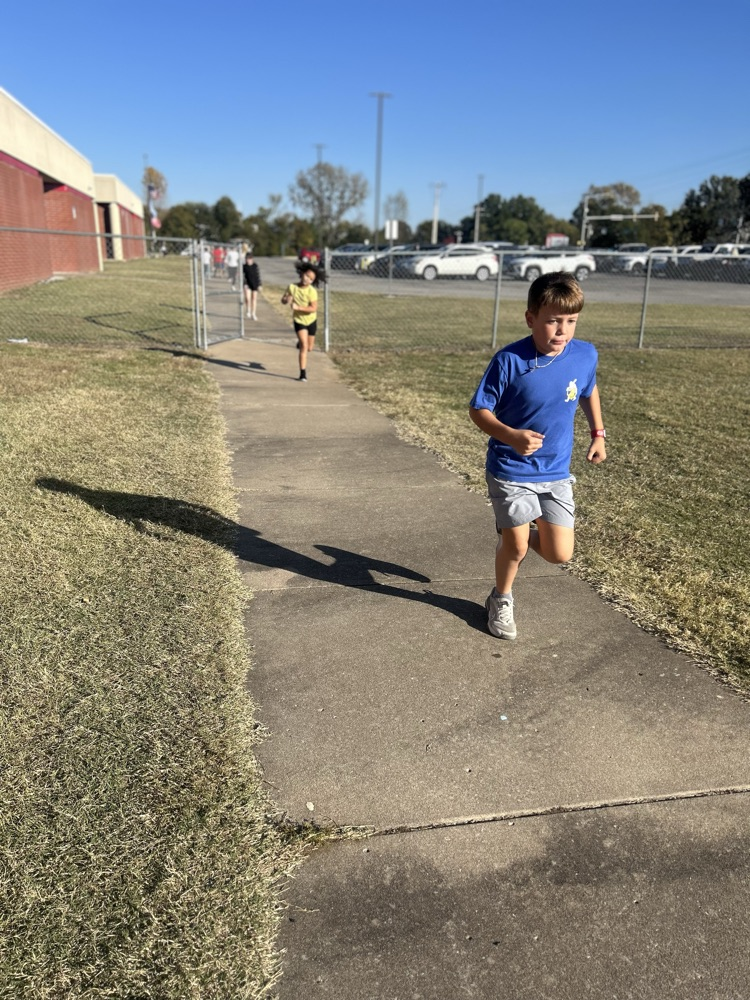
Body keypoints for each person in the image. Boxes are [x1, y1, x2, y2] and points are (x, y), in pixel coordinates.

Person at [469, 271, 607, 640]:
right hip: (511, 468)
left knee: (560, 554)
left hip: (556, 471)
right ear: (531, 318)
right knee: (515, 547)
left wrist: (598, 434)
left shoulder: (584, 354)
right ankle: (501, 598)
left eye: (571, 321)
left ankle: (513, 528)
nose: (562, 331)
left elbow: (587, 391)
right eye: (552, 321)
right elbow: (479, 410)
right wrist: (510, 435)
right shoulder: (509, 360)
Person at [281, 263, 323, 381]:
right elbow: (283, 300)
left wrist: (298, 307)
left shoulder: (312, 291)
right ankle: (302, 374)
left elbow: (313, 308)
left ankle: (300, 343)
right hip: (299, 321)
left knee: (309, 348)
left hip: (311, 321)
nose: (307, 279)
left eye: (311, 279)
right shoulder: (292, 287)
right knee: (304, 346)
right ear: (302, 274)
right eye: (307, 276)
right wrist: (286, 299)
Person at [243, 251, 262, 320]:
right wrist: (244, 284)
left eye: (249, 258)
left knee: (254, 299)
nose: (247, 260)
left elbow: (258, 275)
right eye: (246, 258)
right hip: (247, 284)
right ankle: (248, 309)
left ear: (252, 259)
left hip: (255, 284)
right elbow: (243, 276)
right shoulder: (244, 267)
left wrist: (260, 285)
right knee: (247, 298)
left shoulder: (255, 266)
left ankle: (253, 313)